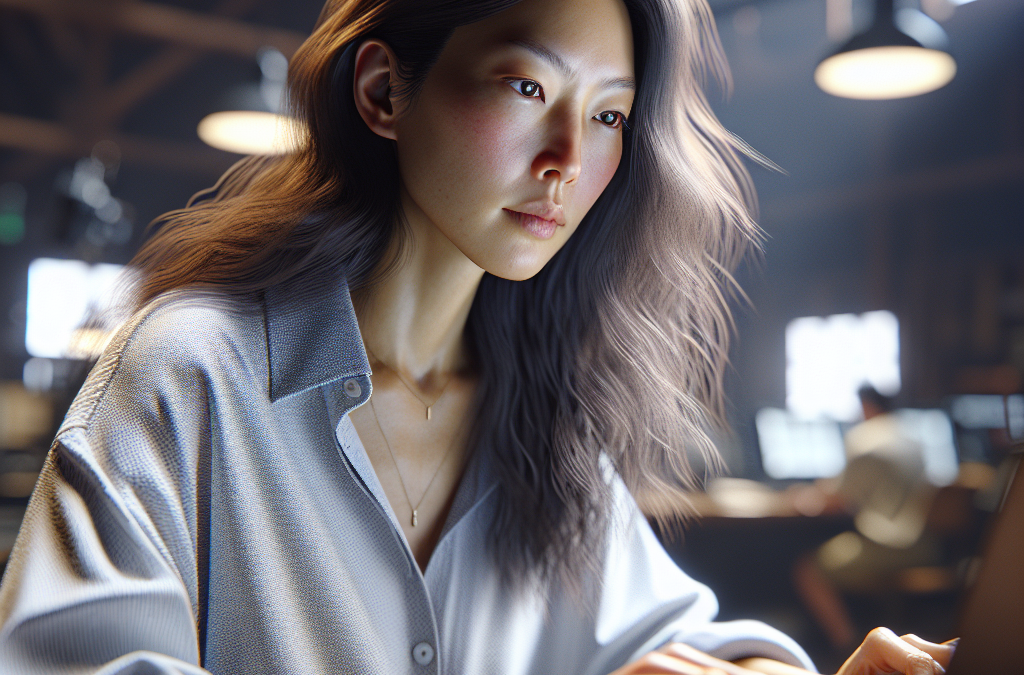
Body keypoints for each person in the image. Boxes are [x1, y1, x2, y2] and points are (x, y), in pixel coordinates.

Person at [0, 0, 955, 673]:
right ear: (383, 91)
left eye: (610, 113)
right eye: (528, 88)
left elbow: (668, 639)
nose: (569, 162)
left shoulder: (546, 420)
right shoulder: (192, 368)